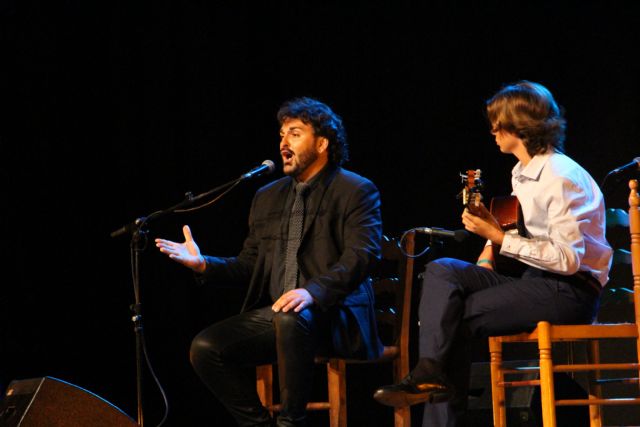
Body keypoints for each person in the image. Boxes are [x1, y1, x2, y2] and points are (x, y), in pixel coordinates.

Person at [373, 81, 613, 426]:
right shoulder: (522, 173)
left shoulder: (561, 178)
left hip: (570, 290)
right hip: (536, 280)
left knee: (454, 317)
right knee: (443, 270)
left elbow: (568, 259)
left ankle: (432, 392)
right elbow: (524, 233)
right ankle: (428, 371)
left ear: (520, 125)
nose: (492, 130)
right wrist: (492, 240)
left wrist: (498, 236)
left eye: (498, 122)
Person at [155, 97, 383, 427]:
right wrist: (205, 264)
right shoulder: (268, 196)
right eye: (281, 135)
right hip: (282, 317)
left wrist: (312, 293)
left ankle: (293, 421)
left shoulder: (356, 190)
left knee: (291, 317)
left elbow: (361, 255)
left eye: (294, 133)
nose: (283, 143)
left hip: (334, 315)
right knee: (206, 347)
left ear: (322, 143)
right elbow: (250, 264)